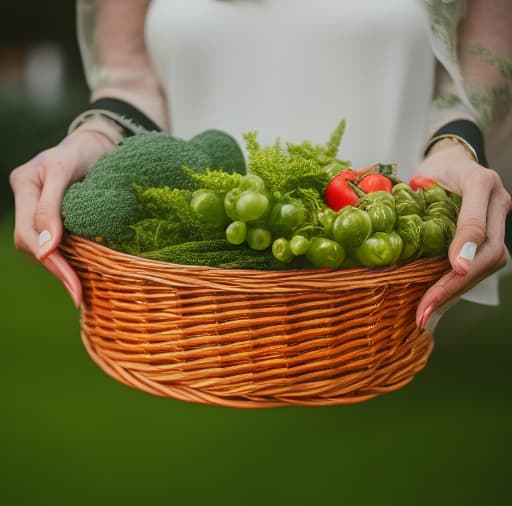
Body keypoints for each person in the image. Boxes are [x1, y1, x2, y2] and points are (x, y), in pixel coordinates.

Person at [9, 0, 512, 331]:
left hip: (380, 292)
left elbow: (474, 84)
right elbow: (130, 80)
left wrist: (457, 148)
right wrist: (93, 136)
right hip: (190, 303)